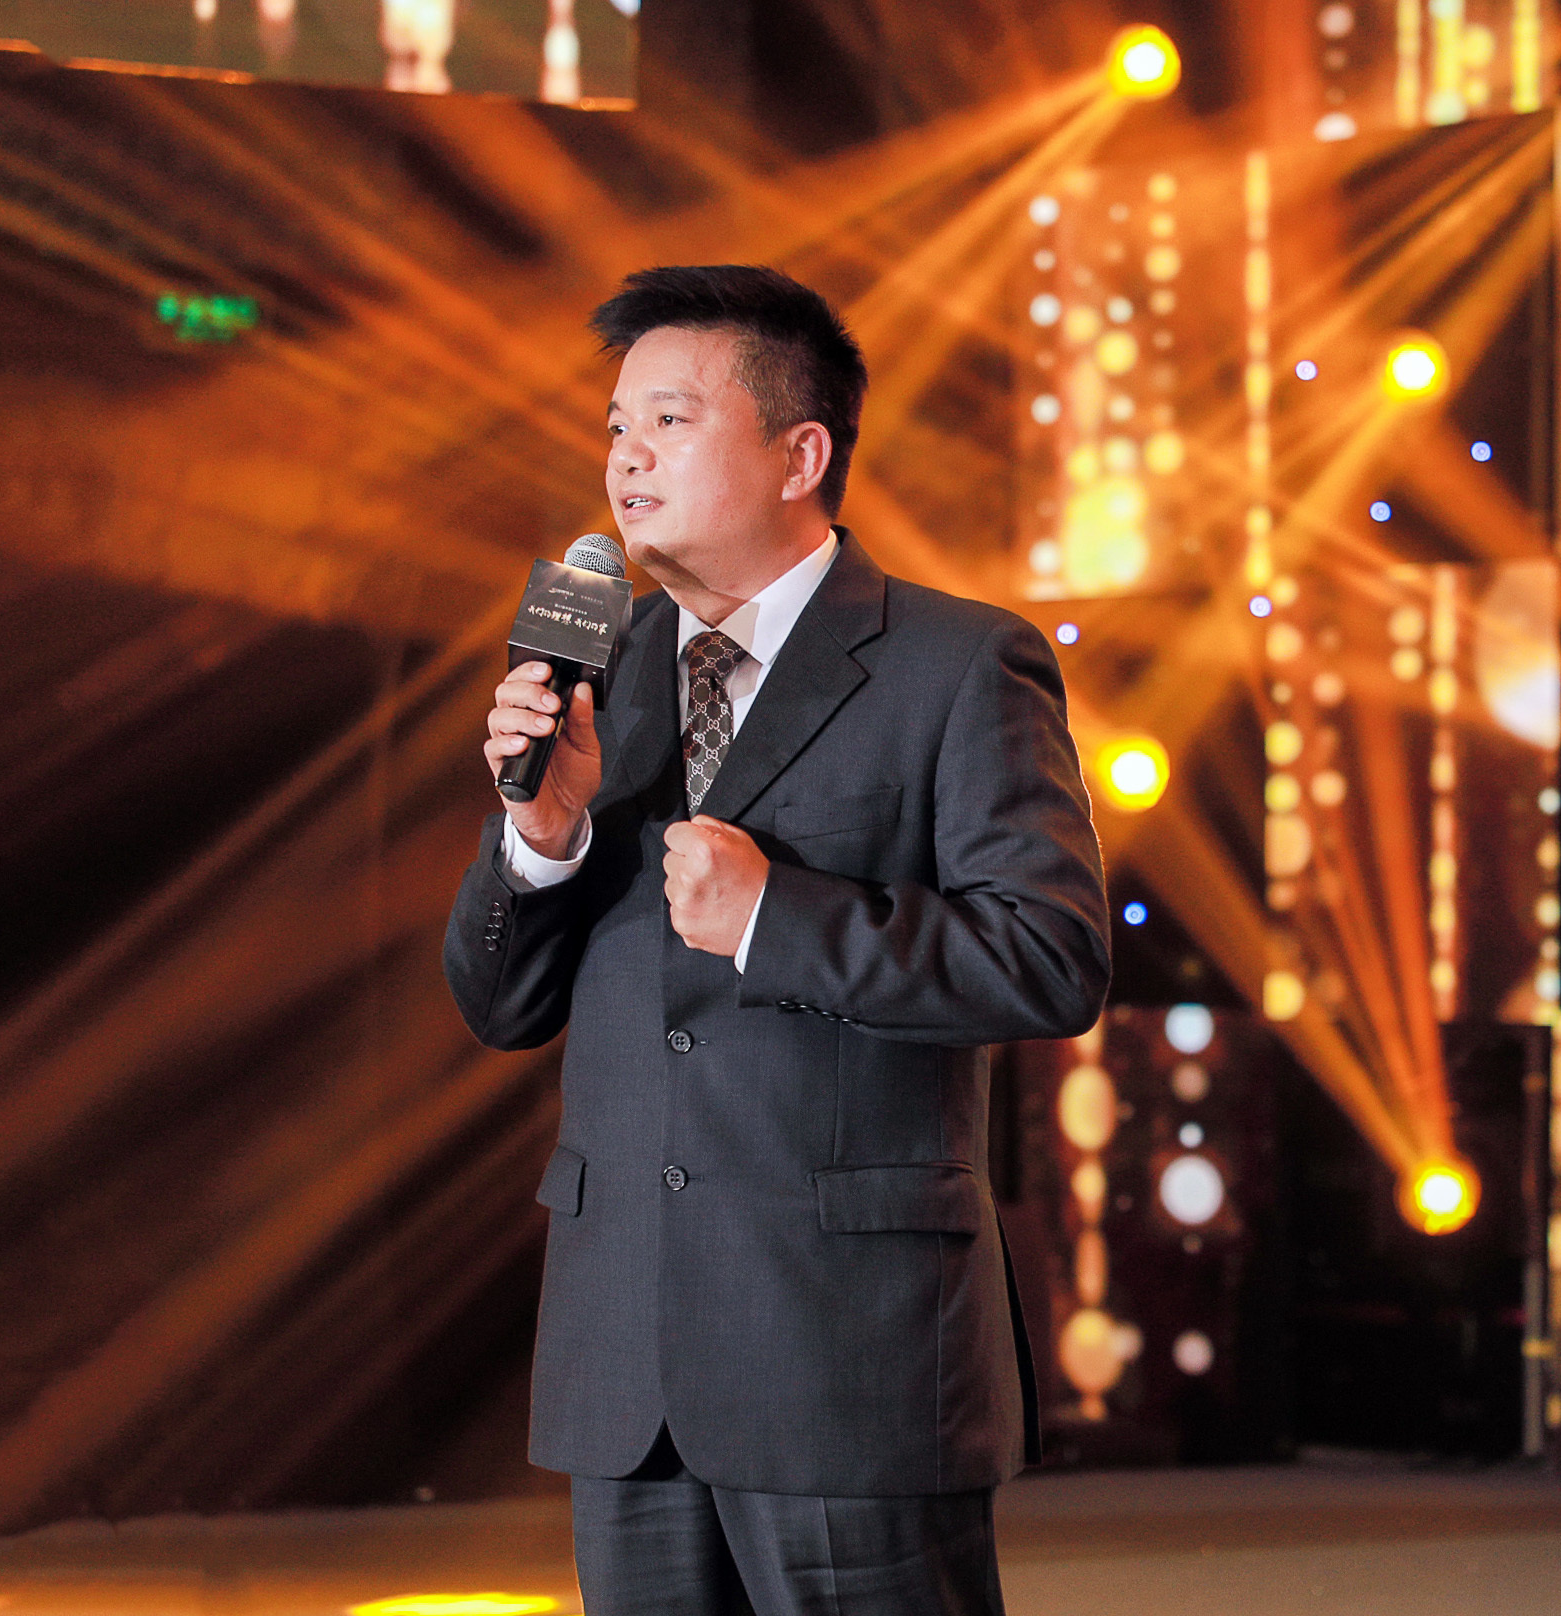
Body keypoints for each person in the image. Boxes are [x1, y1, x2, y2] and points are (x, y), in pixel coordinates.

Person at [444, 264, 1111, 1615]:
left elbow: (1049, 958)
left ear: (801, 455)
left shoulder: (954, 664)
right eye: (617, 425)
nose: (628, 457)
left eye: (671, 421)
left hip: (849, 1355)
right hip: (627, 1359)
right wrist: (543, 838)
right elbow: (500, 1007)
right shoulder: (603, 673)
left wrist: (775, 919)